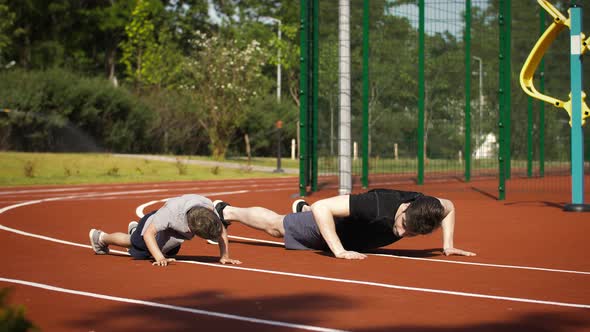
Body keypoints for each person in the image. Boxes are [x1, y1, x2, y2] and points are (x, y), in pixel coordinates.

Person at [215, 188, 475, 260]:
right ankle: (227, 211)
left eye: (411, 233)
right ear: (404, 208)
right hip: (334, 228)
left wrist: (448, 244)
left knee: (307, 214)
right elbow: (323, 207)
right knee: (277, 226)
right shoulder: (374, 206)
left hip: (356, 232)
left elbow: (449, 206)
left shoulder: (426, 207)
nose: (401, 232)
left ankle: (301, 210)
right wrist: (338, 250)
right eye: (403, 224)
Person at [89, 194, 241, 266]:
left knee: (171, 252)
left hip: (174, 231)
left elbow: (220, 230)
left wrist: (224, 255)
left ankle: (135, 230)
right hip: (153, 224)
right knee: (138, 247)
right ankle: (101, 238)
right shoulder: (170, 213)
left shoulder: (208, 211)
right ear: (190, 227)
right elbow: (149, 233)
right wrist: (159, 258)